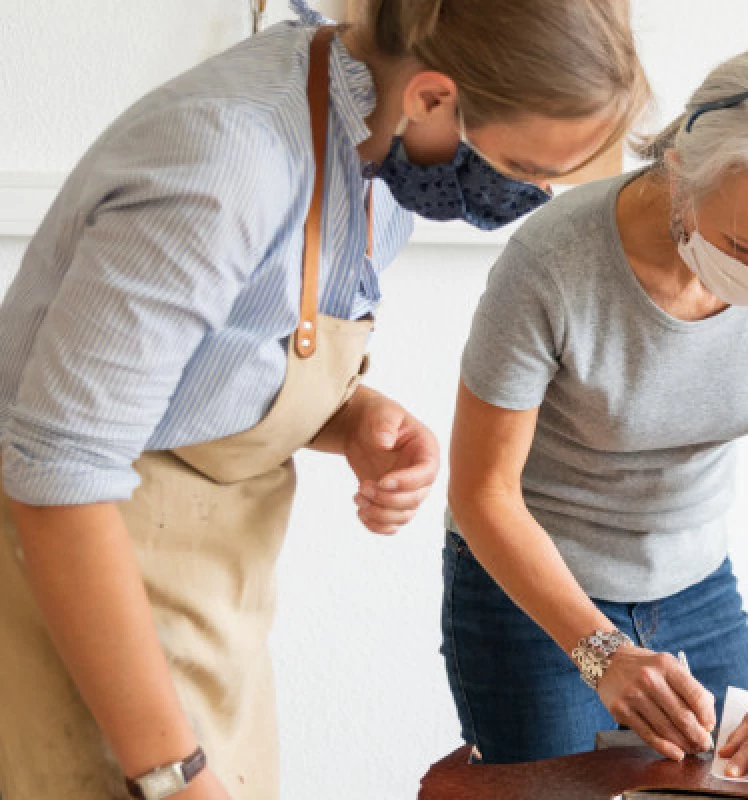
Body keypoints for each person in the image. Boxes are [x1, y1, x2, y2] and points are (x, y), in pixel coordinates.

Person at [0, 1, 647, 797]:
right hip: (74, 596)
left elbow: (211, 359)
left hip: (207, 609)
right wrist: (175, 773)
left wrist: (349, 416)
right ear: (434, 99)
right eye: (524, 168)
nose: (533, 194)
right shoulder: (227, 157)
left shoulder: (373, 147)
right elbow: (59, 473)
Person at [442, 44, 748, 782]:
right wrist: (599, 650)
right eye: (744, 246)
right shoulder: (553, 261)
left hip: (695, 579)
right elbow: (481, 490)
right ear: (681, 175)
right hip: (533, 591)